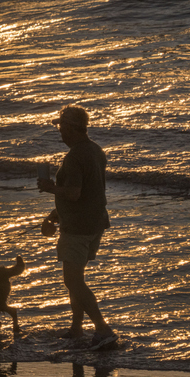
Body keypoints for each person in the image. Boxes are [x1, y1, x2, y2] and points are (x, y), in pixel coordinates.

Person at [37, 105, 118, 349]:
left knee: (73, 282)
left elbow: (73, 194)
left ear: (72, 128)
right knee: (77, 279)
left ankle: (103, 330)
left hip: (78, 227)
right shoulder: (95, 150)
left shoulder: (74, 157)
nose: (60, 132)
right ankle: (76, 329)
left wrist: (50, 188)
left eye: (61, 127)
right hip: (95, 222)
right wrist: (54, 215)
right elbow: (89, 193)